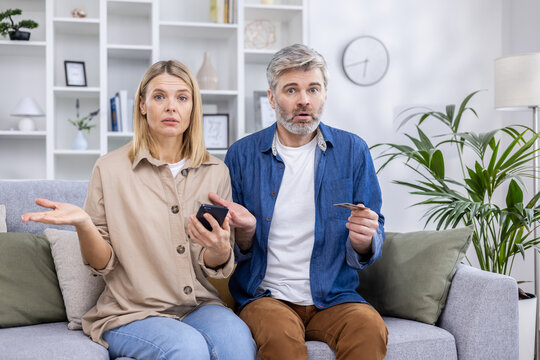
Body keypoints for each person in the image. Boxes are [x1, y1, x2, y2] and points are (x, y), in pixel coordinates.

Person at [22, 60, 257, 360]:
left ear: (193, 108)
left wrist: (221, 248)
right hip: (130, 312)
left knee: (237, 343)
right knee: (187, 348)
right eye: (159, 96)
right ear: (143, 105)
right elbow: (101, 264)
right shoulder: (109, 168)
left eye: (182, 98)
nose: (171, 107)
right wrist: (83, 225)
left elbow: (211, 262)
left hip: (198, 306)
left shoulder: (215, 171)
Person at [209, 44, 388, 360]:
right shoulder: (241, 155)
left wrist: (364, 241)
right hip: (266, 297)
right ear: (272, 97)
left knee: (370, 329)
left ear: (324, 95)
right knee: (281, 342)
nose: (304, 99)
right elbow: (229, 247)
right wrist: (247, 233)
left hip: (335, 296)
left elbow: (374, 230)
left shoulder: (353, 150)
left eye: (313, 89)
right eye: (291, 89)